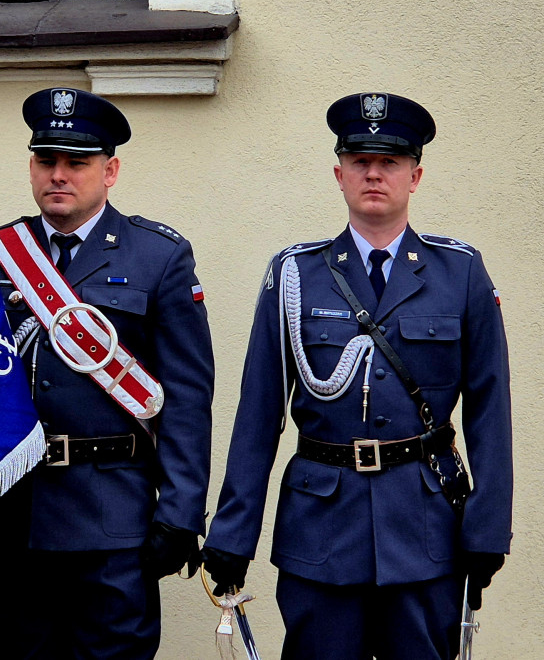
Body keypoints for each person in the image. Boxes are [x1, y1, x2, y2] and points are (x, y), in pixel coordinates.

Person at [203, 92, 512, 659]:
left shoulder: (460, 272)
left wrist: (487, 530)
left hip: (425, 529)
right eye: (360, 161)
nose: (374, 173)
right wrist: (232, 534)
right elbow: (258, 414)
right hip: (321, 528)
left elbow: (491, 409)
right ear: (339, 174)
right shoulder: (294, 274)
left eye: (390, 162)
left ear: (414, 176)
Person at [0, 88, 215, 660]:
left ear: (109, 170)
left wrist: (180, 512)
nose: (59, 175)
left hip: (114, 517)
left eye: (76, 162)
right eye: (46, 160)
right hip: (18, 518)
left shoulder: (157, 256)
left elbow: (185, 394)